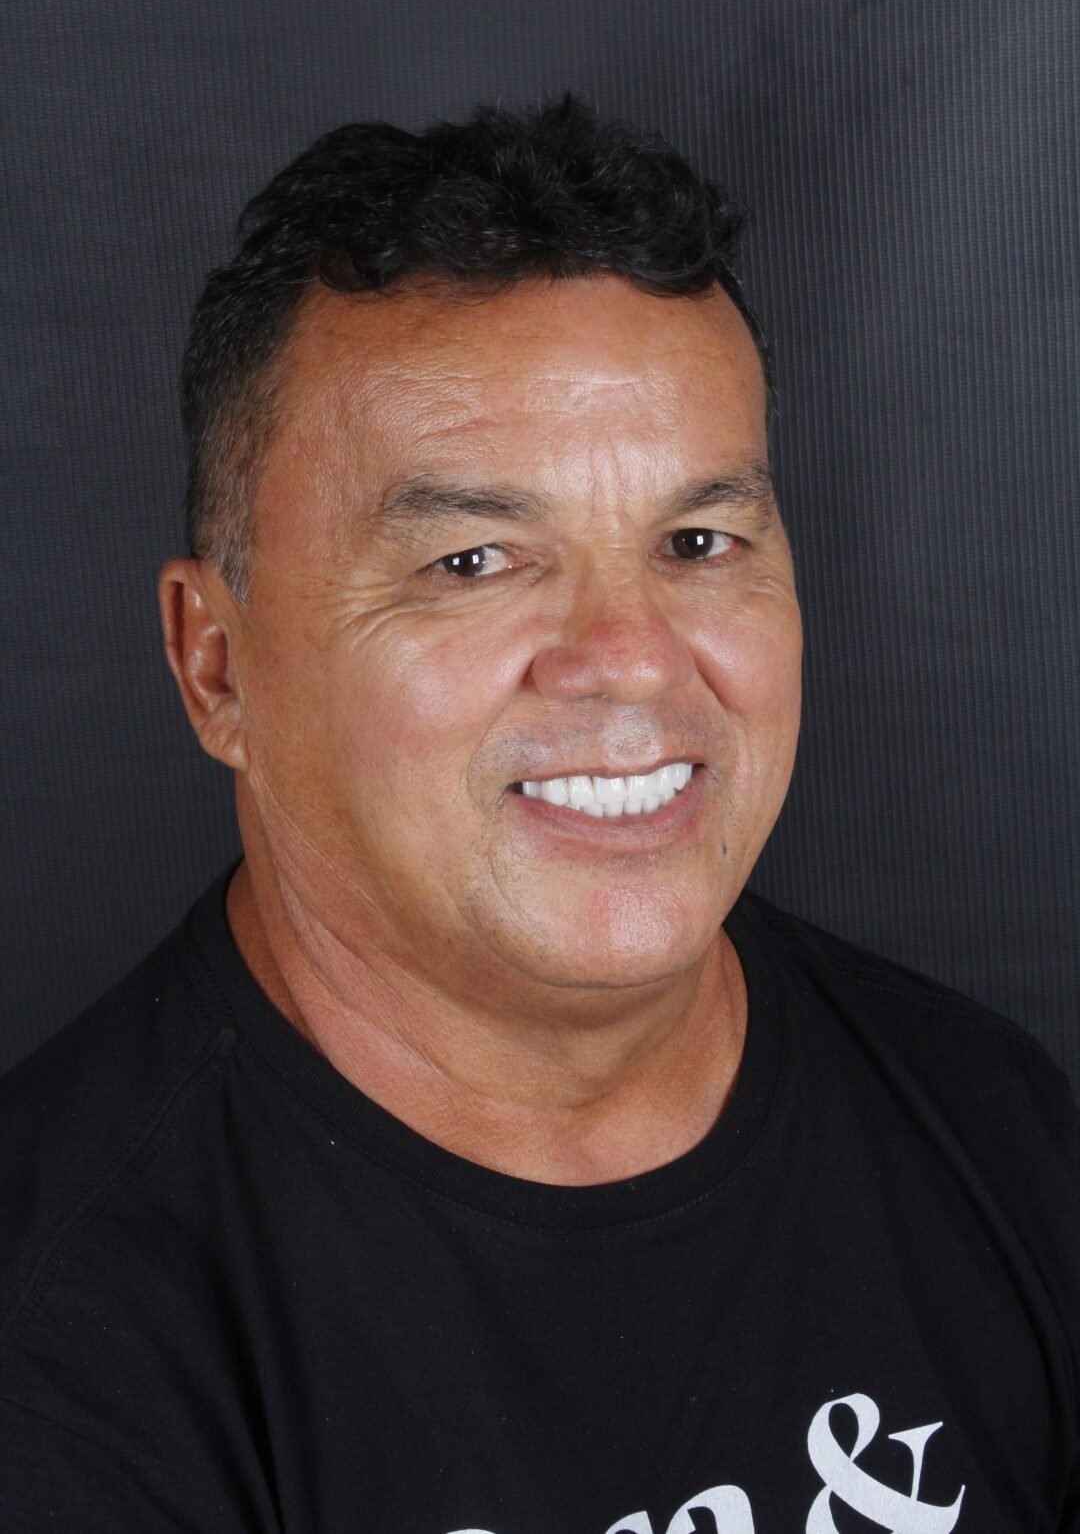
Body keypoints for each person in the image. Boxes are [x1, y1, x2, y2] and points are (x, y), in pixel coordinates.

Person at [0, 97, 1077, 1534]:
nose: (630, 658)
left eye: (698, 541)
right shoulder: (61, 1361)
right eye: (474, 560)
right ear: (217, 668)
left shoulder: (994, 1130)